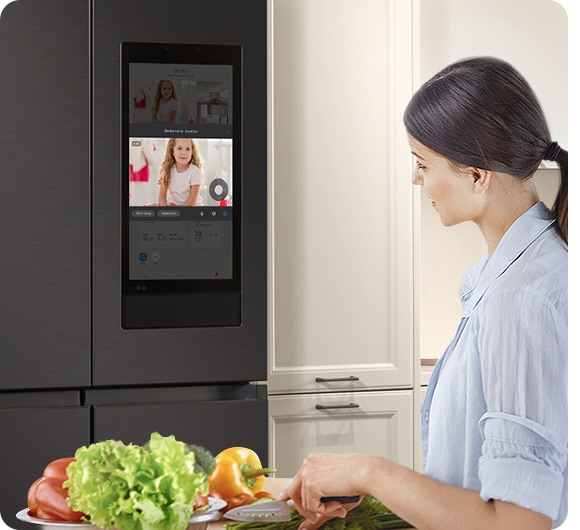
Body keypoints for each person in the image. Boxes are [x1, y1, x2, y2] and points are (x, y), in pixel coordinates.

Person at [279, 57, 568, 530]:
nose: (416, 179)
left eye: (422, 163)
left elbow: (516, 523)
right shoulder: (504, 277)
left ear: (477, 176)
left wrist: (370, 471)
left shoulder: (520, 299)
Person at [157, 138, 204, 206]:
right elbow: (162, 195)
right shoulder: (167, 170)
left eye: (187, 149)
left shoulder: (195, 171)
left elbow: (192, 199)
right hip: (176, 207)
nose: (184, 153)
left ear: (192, 152)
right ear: (172, 151)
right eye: (179, 148)